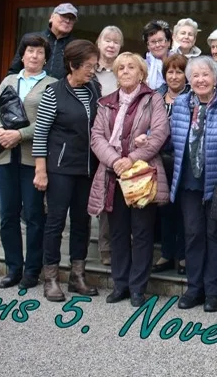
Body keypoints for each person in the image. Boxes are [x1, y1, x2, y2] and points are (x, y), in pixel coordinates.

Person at [88, 53, 171, 307]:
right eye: (121, 68)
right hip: (113, 175)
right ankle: (120, 285)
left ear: (141, 73)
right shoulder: (105, 103)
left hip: (142, 176)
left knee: (142, 233)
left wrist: (131, 159)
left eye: (131, 67)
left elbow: (160, 134)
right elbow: (96, 137)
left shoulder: (153, 99)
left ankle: (137, 288)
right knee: (118, 232)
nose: (125, 71)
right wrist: (115, 161)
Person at [32, 40, 103, 302]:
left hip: (87, 168)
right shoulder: (54, 92)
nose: (93, 71)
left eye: (95, 66)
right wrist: (41, 170)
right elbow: (41, 133)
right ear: (73, 65)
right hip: (60, 168)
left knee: (82, 222)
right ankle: (51, 278)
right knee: (56, 222)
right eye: (88, 66)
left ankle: (77, 276)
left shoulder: (94, 89)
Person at [0, 34, 57, 290]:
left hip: (33, 159)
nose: (34, 56)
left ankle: (32, 270)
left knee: (35, 216)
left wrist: (20, 134)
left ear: (46, 58)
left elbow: (51, 121)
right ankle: (13, 268)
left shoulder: (52, 85)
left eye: (39, 52)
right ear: (22, 55)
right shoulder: (9, 80)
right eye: (30, 51)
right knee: (8, 214)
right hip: (4, 156)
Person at [171, 56, 217, 313]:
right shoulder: (181, 103)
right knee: (193, 234)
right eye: (195, 76)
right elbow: (170, 135)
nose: (200, 80)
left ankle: (213, 291)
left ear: (215, 78)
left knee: (215, 235)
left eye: (205, 74)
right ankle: (194, 288)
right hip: (189, 180)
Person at [152, 54, 191, 275]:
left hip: (183, 160)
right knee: (165, 208)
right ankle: (167, 253)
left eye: (179, 72)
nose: (174, 76)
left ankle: (184, 256)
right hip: (160, 159)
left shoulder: (193, 96)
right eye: (170, 72)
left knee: (183, 210)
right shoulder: (156, 96)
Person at [94, 25, 124, 266]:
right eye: (107, 40)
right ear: (99, 42)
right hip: (86, 139)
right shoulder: (89, 69)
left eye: (116, 41)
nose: (111, 45)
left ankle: (106, 246)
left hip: (113, 142)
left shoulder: (123, 71)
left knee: (108, 195)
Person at [9, 3, 78, 79]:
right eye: (64, 16)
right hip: (31, 85)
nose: (67, 20)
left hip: (61, 86)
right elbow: (14, 70)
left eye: (71, 18)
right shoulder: (31, 38)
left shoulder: (76, 45)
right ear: (52, 17)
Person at [143, 20, 173, 90]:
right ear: (148, 46)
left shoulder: (179, 63)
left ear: (169, 42)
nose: (157, 45)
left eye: (160, 40)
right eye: (153, 42)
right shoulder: (142, 66)